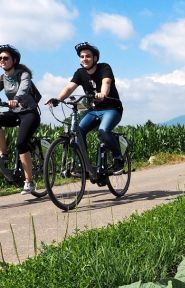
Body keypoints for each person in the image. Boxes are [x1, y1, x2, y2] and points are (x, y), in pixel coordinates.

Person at [47, 42, 124, 174]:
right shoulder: (80, 72)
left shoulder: (104, 67)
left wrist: (103, 94)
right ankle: (85, 165)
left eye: (88, 56)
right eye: (82, 57)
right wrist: (58, 99)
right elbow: (69, 88)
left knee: (103, 131)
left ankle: (118, 158)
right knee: (78, 132)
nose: (84, 59)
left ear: (95, 58)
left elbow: (107, 82)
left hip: (112, 108)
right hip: (94, 111)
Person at [0, 44, 40, 195]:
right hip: (15, 113)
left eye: (5, 58)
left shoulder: (23, 74)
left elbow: (23, 88)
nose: (2, 60)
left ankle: (29, 182)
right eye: (0, 58)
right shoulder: (3, 78)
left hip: (29, 113)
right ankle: (3, 154)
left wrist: (16, 99)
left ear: (14, 60)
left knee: (21, 143)